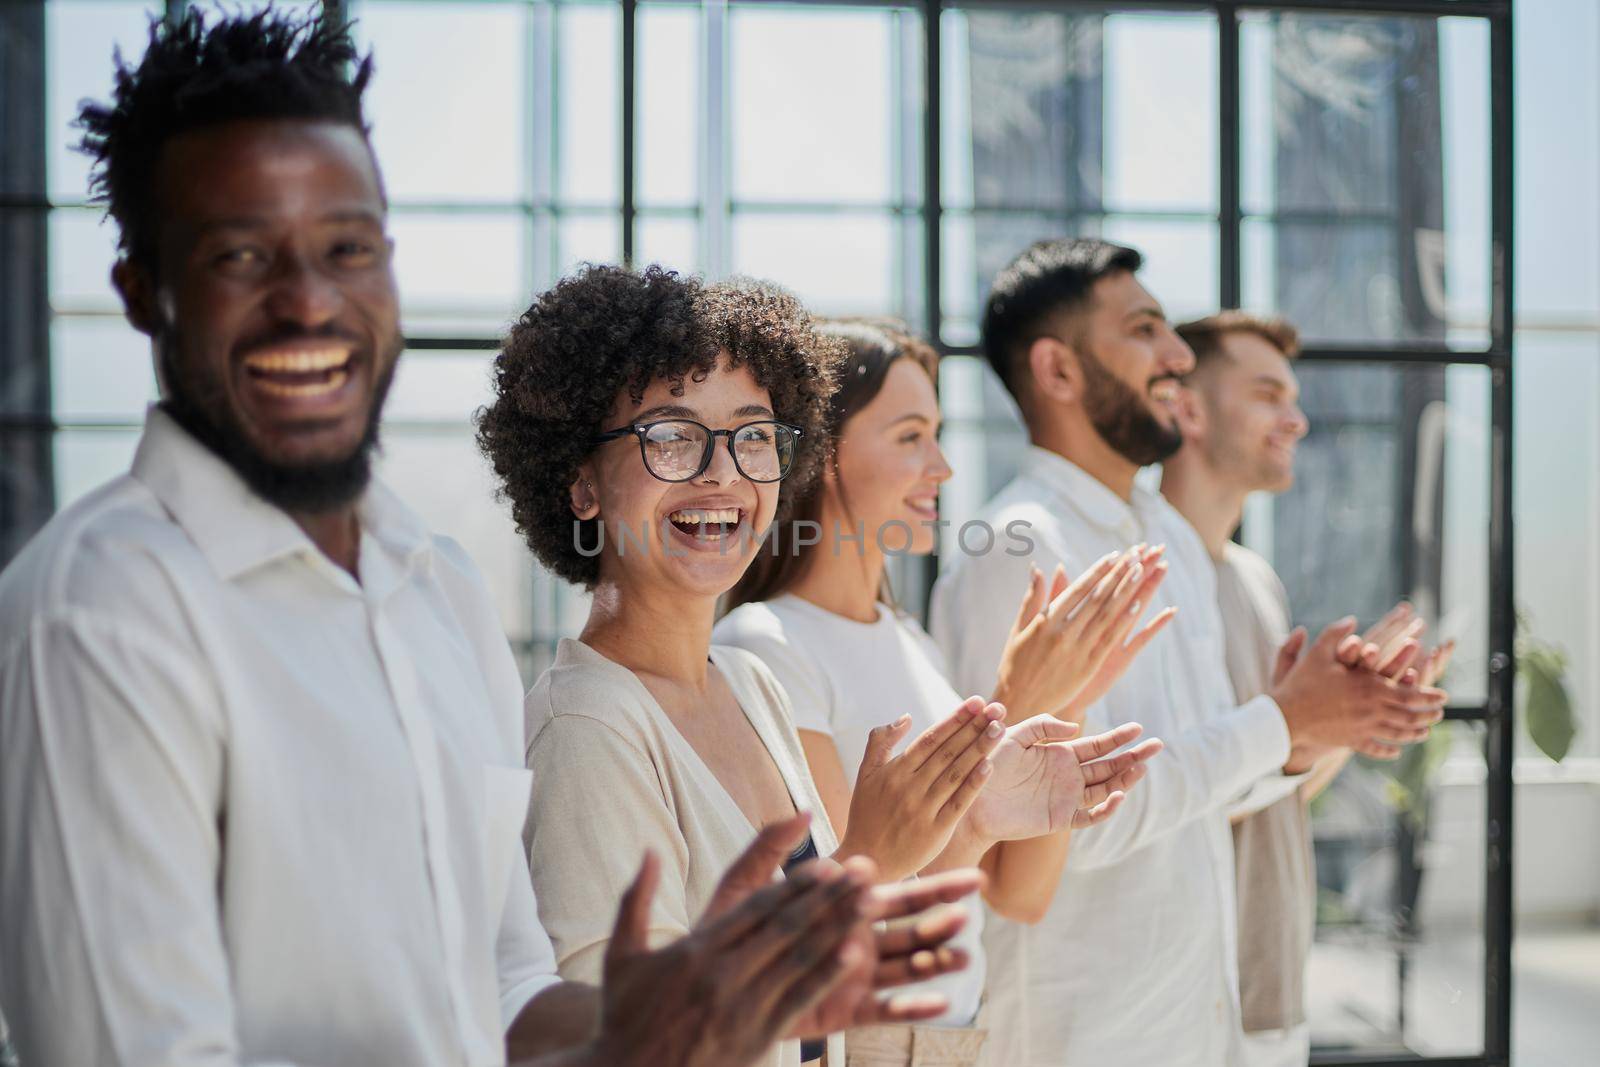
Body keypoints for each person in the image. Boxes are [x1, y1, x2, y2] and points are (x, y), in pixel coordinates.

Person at [0, 10, 974, 1066]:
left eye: (347, 248)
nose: (308, 301)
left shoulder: (435, 586)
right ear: (145, 292)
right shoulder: (98, 612)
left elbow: (501, 983)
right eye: (241, 253)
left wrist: (647, 1019)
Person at [477, 266, 1135, 1067]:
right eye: (673, 435)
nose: (722, 473)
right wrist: (868, 864)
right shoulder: (588, 729)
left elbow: (828, 1003)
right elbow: (638, 1044)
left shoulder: (748, 686)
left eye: (753, 435)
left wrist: (967, 826)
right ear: (581, 480)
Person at [929, 238, 1450, 1067]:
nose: (1176, 357)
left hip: (1199, 1027)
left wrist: (1315, 728)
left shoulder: (1166, 536)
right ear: (1057, 372)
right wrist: (1280, 720)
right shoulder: (1016, 549)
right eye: (1144, 332)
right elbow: (1049, 830)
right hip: (1083, 1038)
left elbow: (1200, 791)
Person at [714, 319, 1167, 1064]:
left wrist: (1058, 702)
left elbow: (1012, 893)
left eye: (938, 434)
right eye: (911, 436)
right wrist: (1017, 697)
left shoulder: (912, 643)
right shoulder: (765, 647)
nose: (944, 467)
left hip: (954, 1037)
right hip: (866, 1042)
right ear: (824, 451)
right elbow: (862, 912)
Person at [1159, 311, 1456, 1067]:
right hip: (1179, 997)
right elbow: (1154, 799)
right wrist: (1305, 725)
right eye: (1266, 394)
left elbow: (1278, 784)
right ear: (1188, 408)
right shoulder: (1141, 574)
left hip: (1271, 983)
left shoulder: (1257, 580)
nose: (1295, 418)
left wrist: (1351, 718)